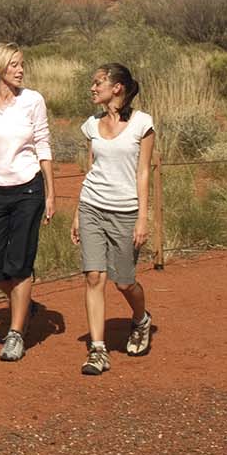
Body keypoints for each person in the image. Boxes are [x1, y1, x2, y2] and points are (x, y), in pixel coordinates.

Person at [0, 43, 53, 362]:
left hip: (28, 189)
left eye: (22, 64)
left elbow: (43, 145)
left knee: (19, 263)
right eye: (14, 64)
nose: (20, 69)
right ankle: (23, 304)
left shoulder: (33, 101)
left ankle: (16, 333)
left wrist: (51, 192)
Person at [71, 62, 156, 375]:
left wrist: (142, 217)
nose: (93, 88)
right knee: (94, 277)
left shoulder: (142, 124)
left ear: (116, 87)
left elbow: (143, 172)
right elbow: (90, 169)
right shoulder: (91, 125)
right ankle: (98, 350)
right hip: (92, 206)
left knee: (124, 282)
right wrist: (79, 214)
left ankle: (140, 319)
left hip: (125, 210)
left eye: (98, 83)